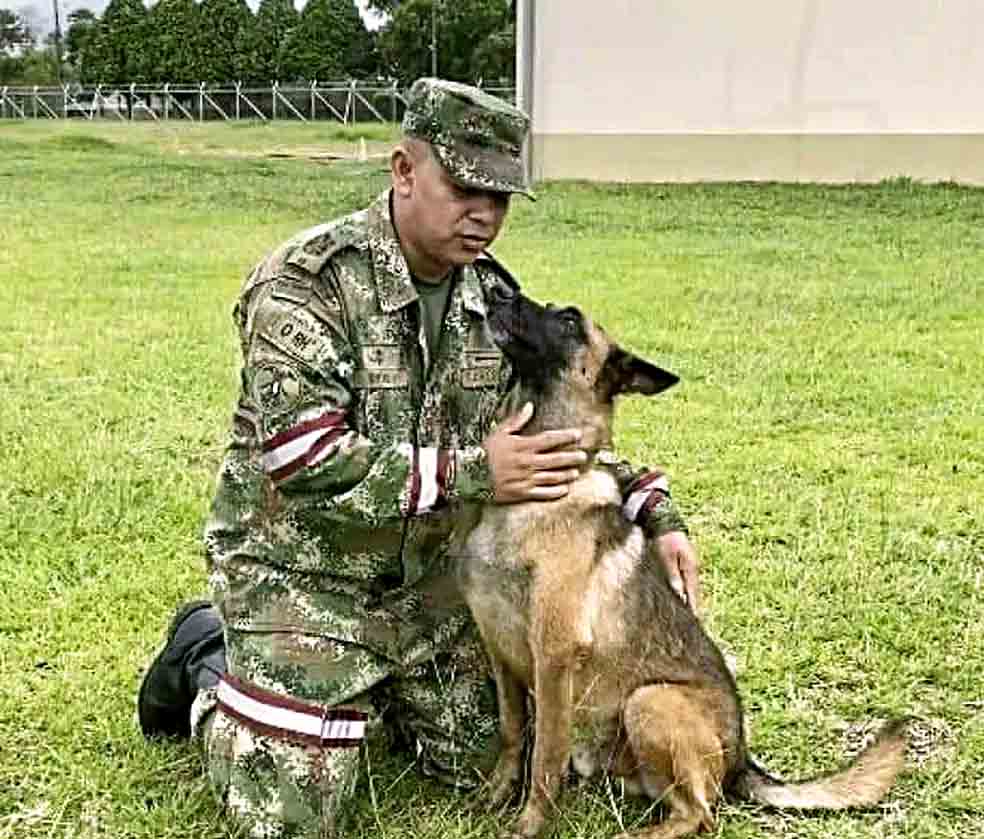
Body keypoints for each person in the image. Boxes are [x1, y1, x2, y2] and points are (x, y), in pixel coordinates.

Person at [137, 78, 699, 839]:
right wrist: (474, 472)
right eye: (465, 186)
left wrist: (653, 509)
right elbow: (307, 460)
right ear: (403, 169)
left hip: (430, 592)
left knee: (505, 752)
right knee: (291, 814)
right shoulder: (307, 285)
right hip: (309, 580)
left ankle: (369, 693)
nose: (485, 215)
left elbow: (551, 442)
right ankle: (206, 654)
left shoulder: (494, 304)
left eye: (501, 198)